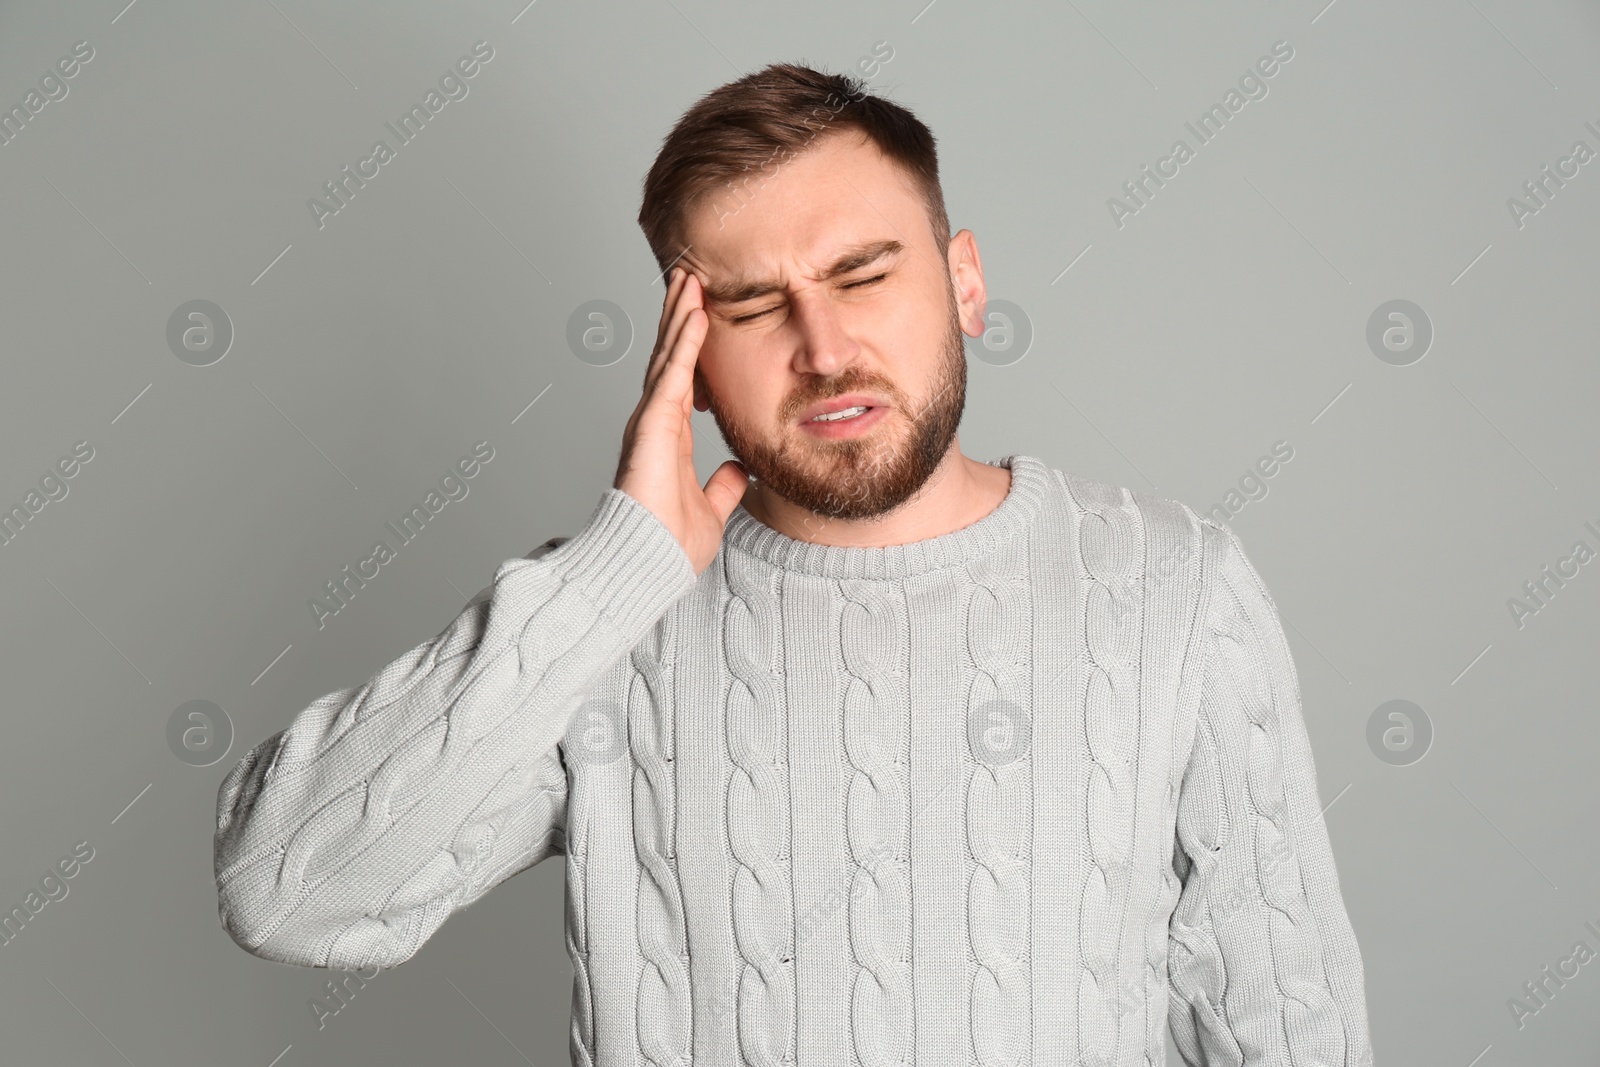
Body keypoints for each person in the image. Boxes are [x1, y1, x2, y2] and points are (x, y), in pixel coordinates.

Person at [214, 62, 1375, 1066]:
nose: (823, 350)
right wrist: (610, 576)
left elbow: (1291, 1029)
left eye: (865, 275)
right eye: (754, 305)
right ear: (689, 357)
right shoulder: (605, 618)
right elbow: (290, 893)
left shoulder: (1172, 588)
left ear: (964, 280)